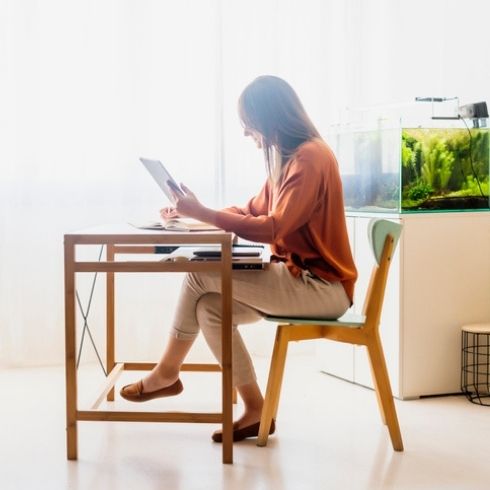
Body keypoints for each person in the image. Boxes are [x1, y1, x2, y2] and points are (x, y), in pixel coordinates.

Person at [120, 75, 358, 442]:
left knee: (199, 275)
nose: (249, 135)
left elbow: (273, 228)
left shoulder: (310, 158)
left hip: (322, 288)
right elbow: (251, 210)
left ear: (269, 117)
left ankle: (166, 372)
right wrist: (190, 214)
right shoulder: (290, 159)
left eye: (250, 126)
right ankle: (255, 408)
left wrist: (202, 213)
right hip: (302, 281)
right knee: (210, 307)